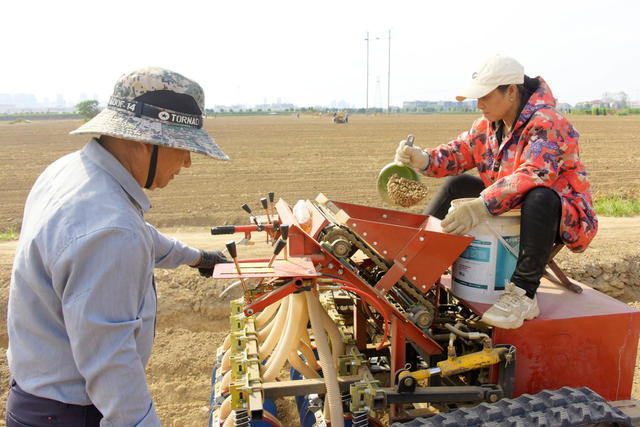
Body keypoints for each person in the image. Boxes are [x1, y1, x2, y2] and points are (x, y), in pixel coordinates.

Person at [6, 67, 230, 426]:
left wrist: (197, 257)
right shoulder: (111, 228)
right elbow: (112, 364)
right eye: (183, 147)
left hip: (36, 399)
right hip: (69, 415)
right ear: (144, 141)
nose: (188, 162)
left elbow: (139, 236)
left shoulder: (70, 174)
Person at [394, 54, 597, 329]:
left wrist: (480, 206)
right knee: (459, 185)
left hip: (558, 213)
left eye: (485, 97)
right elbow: (459, 152)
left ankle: (524, 294)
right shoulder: (488, 125)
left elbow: (533, 174)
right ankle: (412, 262)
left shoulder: (547, 123)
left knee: (540, 195)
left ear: (511, 91)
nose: (479, 105)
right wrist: (423, 158)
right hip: (512, 202)